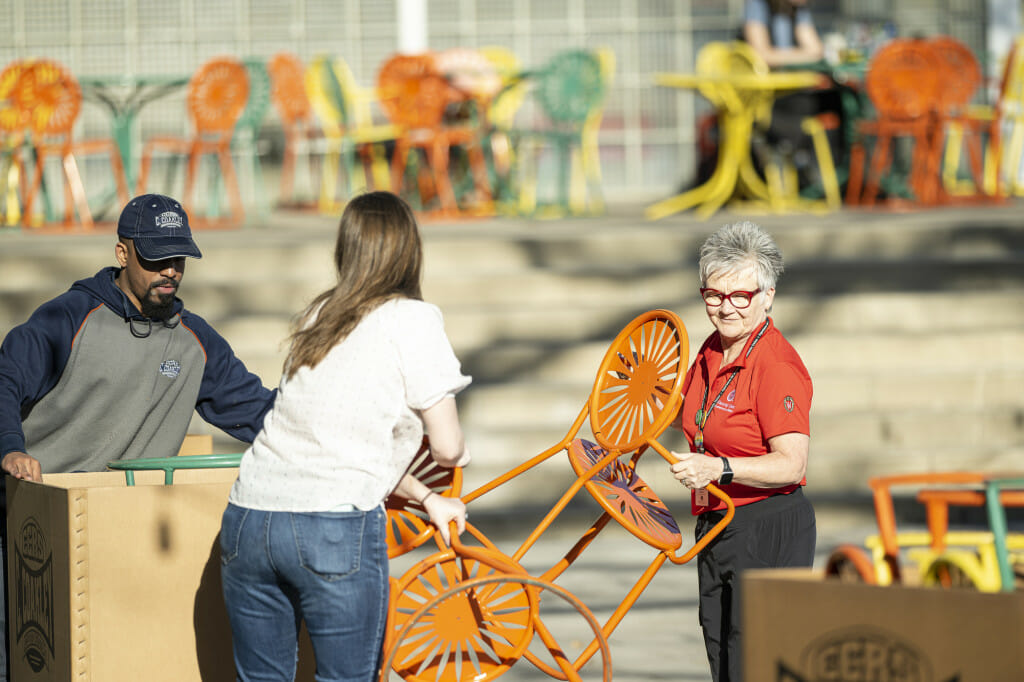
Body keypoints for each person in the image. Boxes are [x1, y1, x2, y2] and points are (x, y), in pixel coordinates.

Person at [0, 193, 276, 681]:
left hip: (116, 532)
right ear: (122, 254)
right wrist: (11, 448)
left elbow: (260, 413)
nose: (170, 270)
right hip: (31, 525)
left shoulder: (196, 341)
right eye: (155, 258)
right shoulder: (66, 319)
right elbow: (6, 378)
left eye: (178, 259)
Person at [220, 190, 471, 682]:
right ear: (409, 251)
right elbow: (447, 448)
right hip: (331, 528)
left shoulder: (319, 317)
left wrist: (424, 498)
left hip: (249, 518)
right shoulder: (413, 319)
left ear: (346, 250)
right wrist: (455, 457)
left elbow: (335, 444)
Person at [669, 221, 815, 682]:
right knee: (720, 652)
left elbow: (792, 464)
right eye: (714, 295)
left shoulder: (776, 365)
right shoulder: (712, 350)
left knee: (754, 662)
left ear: (767, 296)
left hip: (768, 522)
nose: (725, 308)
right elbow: (687, 415)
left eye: (740, 296)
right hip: (718, 523)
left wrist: (720, 468)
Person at [742, 0, 846, 190]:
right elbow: (762, 55)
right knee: (814, 107)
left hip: (794, 90)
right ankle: (813, 175)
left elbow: (816, 49)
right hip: (765, 99)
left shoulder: (797, 10)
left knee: (839, 100)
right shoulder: (758, 5)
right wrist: (803, 54)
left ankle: (835, 176)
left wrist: (786, 55)